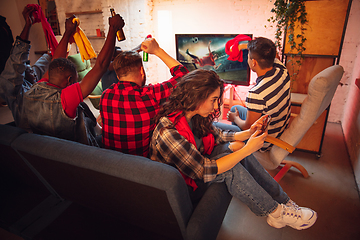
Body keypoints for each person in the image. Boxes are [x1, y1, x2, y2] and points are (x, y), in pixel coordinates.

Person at [149, 69, 317, 230]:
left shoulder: (193, 115)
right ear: (197, 97)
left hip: (195, 165)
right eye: (213, 100)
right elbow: (202, 170)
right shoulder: (169, 132)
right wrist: (246, 149)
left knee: (234, 154)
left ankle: (284, 201)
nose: (216, 107)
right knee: (232, 168)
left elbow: (218, 135)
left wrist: (249, 133)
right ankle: (275, 213)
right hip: (183, 184)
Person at [23, 12, 125, 146]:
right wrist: (113, 28)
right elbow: (100, 66)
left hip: (46, 147)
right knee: (116, 140)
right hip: (77, 151)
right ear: (70, 80)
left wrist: (68, 32)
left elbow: (56, 61)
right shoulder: (65, 99)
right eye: (76, 81)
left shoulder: (35, 89)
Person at [100, 38, 189, 157]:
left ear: (118, 74)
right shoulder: (150, 95)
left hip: (109, 164)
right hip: (142, 167)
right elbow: (185, 77)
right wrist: (157, 50)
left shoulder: (106, 95)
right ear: (141, 71)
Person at [214, 37, 291, 151]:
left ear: (253, 62)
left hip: (266, 139)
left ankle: (242, 148)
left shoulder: (256, 93)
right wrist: (245, 46)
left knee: (232, 116)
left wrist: (234, 118)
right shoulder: (281, 69)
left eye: (248, 56)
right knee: (236, 108)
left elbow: (248, 127)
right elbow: (275, 57)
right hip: (281, 126)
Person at [0, 5, 52, 130]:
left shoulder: (33, 80)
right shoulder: (19, 94)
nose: (34, 73)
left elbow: (42, 63)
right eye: (29, 71)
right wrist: (27, 25)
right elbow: (17, 59)